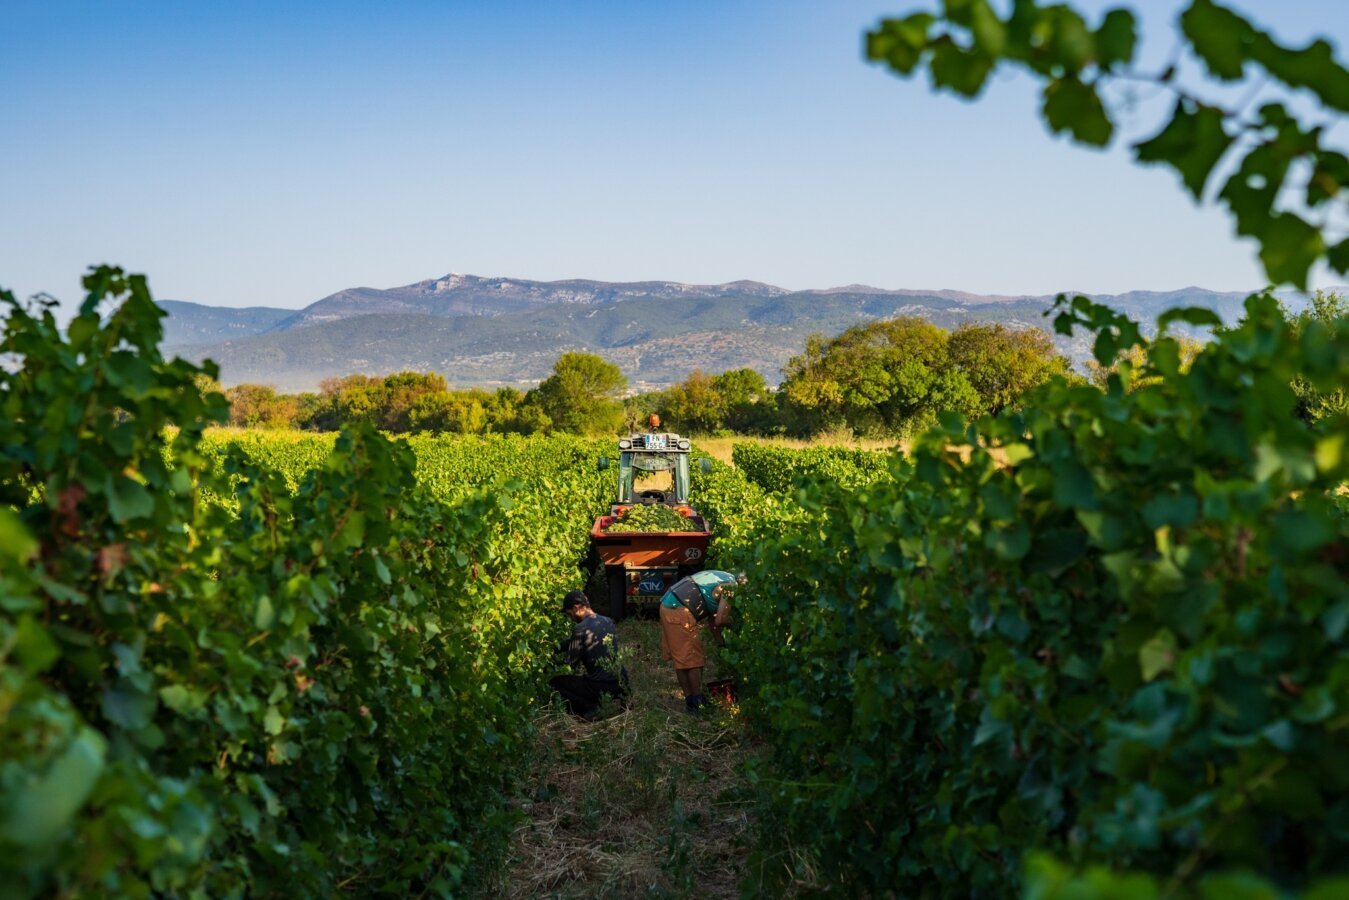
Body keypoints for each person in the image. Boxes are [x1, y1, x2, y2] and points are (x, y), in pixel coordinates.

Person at [658, 570, 743, 711]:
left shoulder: (723, 577)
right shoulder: (732, 587)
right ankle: (697, 702)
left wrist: (721, 645)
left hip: (668, 605)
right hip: (679, 610)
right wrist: (738, 627)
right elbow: (720, 619)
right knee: (692, 659)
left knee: (682, 658)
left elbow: (713, 618)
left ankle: (691, 700)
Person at [549, 590, 629, 719]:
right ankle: (620, 702)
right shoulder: (608, 621)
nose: (570, 618)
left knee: (555, 683)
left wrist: (548, 663)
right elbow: (580, 641)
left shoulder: (580, 628)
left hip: (599, 686)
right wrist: (554, 647)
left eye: (569, 614)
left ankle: (591, 708)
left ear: (576, 608)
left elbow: (571, 663)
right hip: (619, 683)